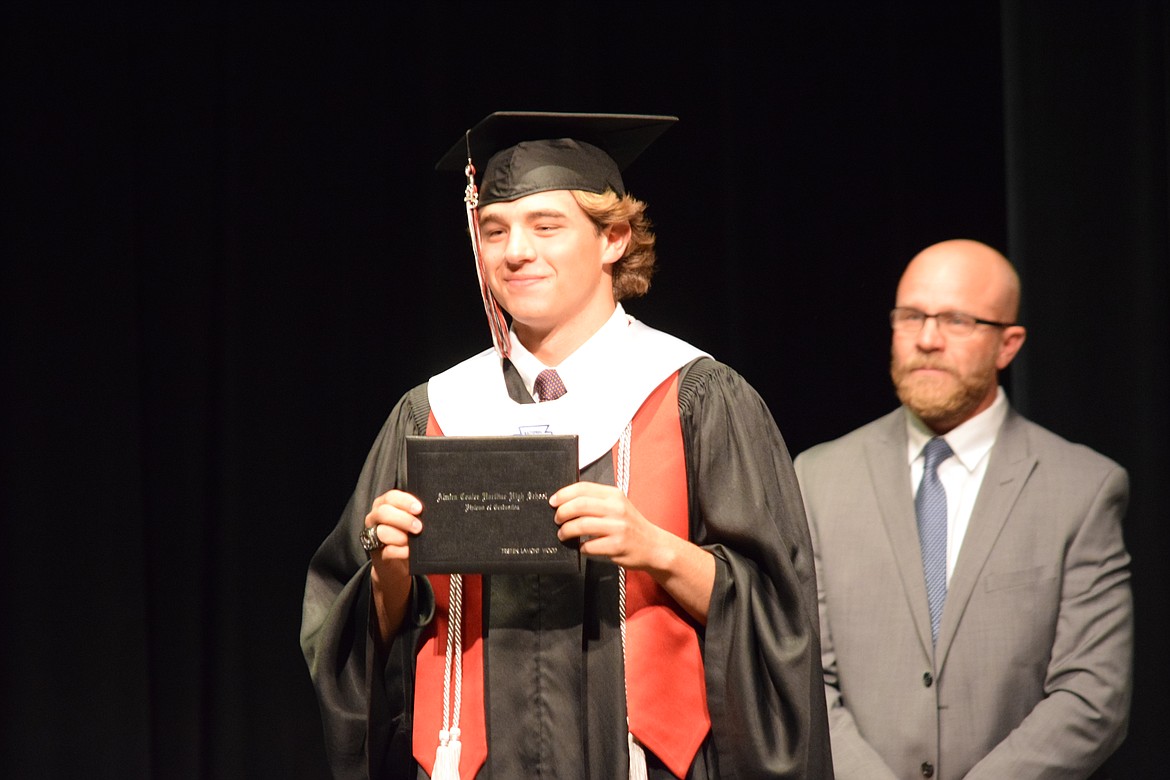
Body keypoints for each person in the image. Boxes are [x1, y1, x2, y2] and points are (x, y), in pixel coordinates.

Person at [300, 111, 832, 780]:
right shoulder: (431, 414)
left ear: (614, 238)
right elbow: (344, 642)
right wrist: (390, 572)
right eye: (493, 230)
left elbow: (779, 617)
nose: (514, 251)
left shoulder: (696, 399)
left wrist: (657, 550)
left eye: (545, 226)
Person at [794, 239, 1133, 780]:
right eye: (911, 317)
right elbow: (805, 675)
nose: (927, 340)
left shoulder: (1082, 489)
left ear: (1008, 344)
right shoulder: (817, 477)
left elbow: (1094, 695)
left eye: (956, 320)